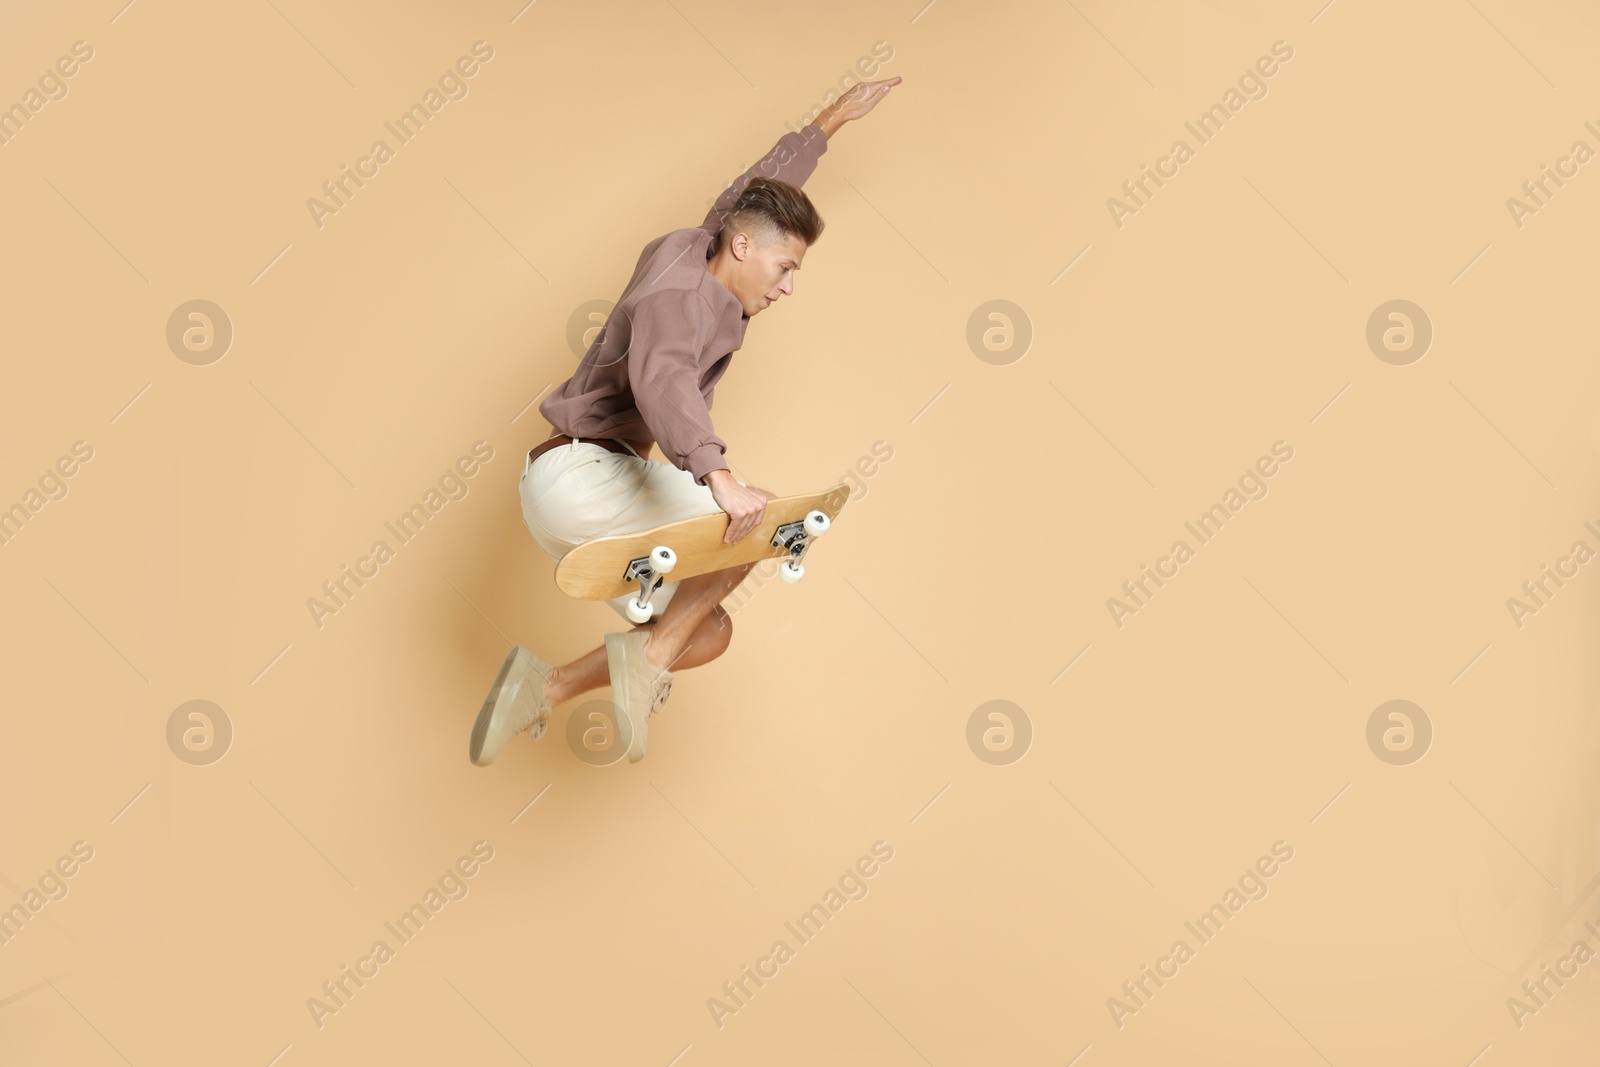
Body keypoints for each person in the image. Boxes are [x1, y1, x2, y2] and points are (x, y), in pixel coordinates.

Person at [469, 76, 902, 767]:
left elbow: (752, 189)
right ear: (743, 249)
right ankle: (649, 663)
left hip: (575, 489)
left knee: (709, 630)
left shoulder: (694, 245)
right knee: (754, 521)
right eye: (785, 267)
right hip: (581, 473)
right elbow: (663, 378)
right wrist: (717, 475)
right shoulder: (676, 298)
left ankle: (545, 686)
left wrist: (828, 123)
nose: (788, 287)